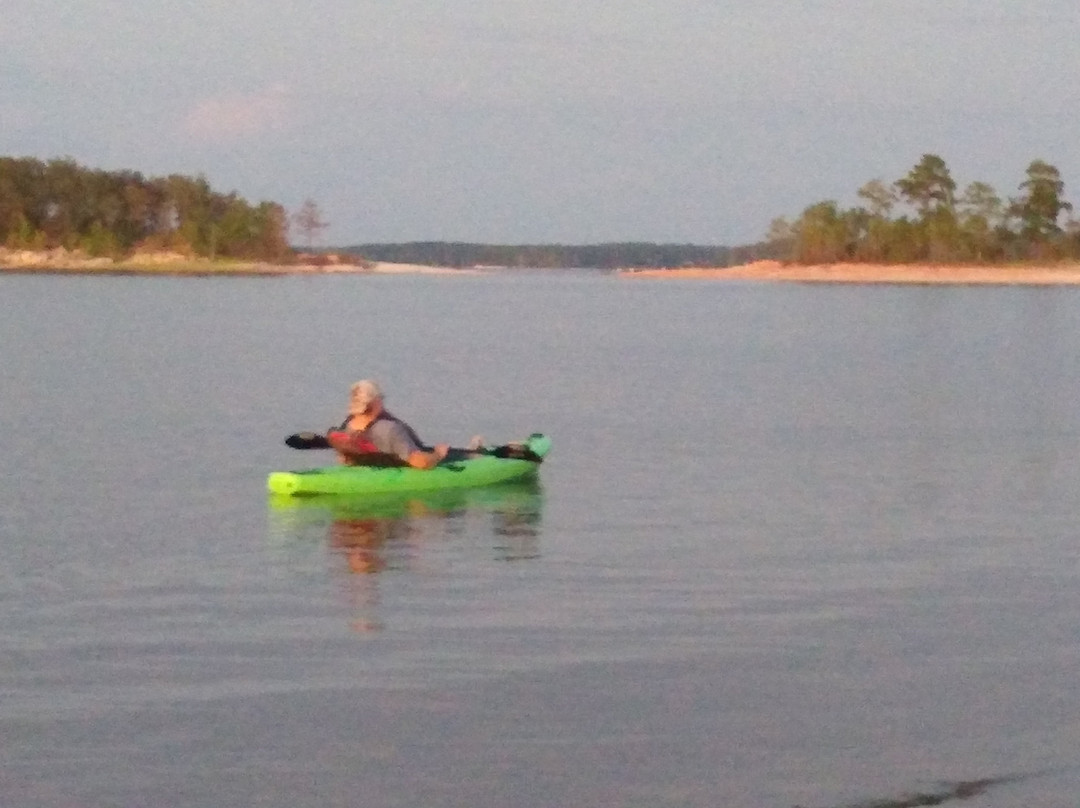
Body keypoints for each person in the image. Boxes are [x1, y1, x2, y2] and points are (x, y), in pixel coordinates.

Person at [337, 380, 450, 469]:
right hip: (396, 472)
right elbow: (420, 462)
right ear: (376, 401)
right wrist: (438, 454)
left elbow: (343, 459)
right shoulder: (391, 429)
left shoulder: (348, 426)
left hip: (363, 471)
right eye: (381, 398)